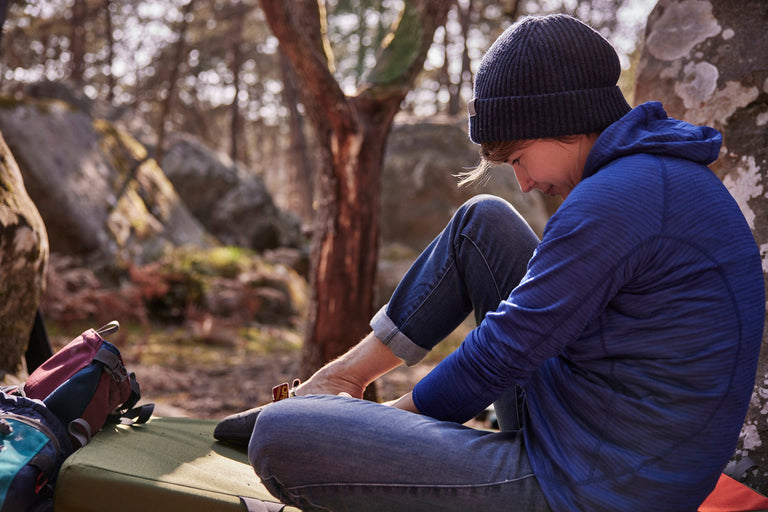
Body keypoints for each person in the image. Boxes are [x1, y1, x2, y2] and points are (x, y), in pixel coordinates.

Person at [246, 13, 765, 512]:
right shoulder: (651, 177)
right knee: (484, 223)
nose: (525, 181)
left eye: (518, 159)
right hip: (595, 439)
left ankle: (332, 411)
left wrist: (371, 433)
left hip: (592, 490)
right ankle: (340, 380)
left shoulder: (619, 199)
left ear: (563, 122)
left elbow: (499, 356)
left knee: (280, 437)